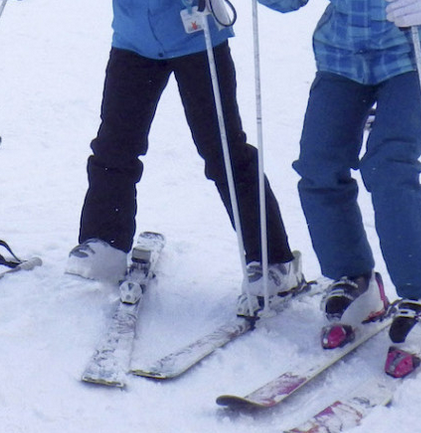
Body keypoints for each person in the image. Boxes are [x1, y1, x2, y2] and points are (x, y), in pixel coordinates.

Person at [256, 0, 421, 355]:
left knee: (389, 166)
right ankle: (354, 278)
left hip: (414, 54)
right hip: (344, 54)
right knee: (318, 165)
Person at [66, 0, 306, 317]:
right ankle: (105, 242)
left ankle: (273, 260)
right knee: (115, 145)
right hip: (134, 39)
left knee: (223, 152)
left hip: (197, 36)